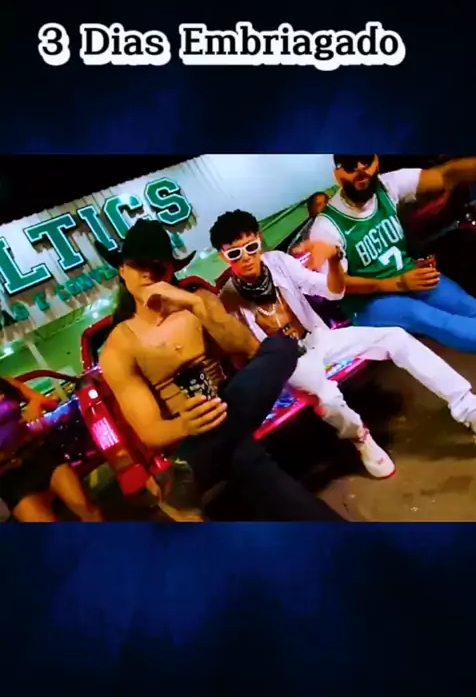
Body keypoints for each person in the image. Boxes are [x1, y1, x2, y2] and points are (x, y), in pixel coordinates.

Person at [96, 219, 344, 522]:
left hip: (230, 405)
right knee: (247, 460)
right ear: (122, 271)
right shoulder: (119, 347)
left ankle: (187, 474)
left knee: (282, 346)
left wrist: (197, 307)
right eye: (138, 264)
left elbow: (252, 351)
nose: (148, 272)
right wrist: (184, 427)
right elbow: (150, 431)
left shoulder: (199, 301)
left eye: (156, 263)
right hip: (191, 430)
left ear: (171, 269)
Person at [209, 209, 476, 479]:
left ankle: (470, 409)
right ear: (223, 256)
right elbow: (242, 356)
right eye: (235, 254)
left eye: (251, 247)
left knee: (395, 337)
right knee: (328, 397)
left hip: (318, 338)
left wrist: (335, 259)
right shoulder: (227, 299)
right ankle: (360, 438)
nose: (246, 258)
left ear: (259, 240)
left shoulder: (278, 262)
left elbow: (332, 291)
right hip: (289, 362)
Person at [308, 154, 476, 354]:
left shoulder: (388, 185)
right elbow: (337, 287)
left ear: (376, 161)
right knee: (428, 318)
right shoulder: (326, 227)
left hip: (409, 276)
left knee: (468, 306)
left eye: (366, 161)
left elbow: (445, 175)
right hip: (368, 303)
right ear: (338, 174)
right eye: (350, 166)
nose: (360, 170)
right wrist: (396, 283)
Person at [0, 377, 103, 522]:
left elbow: (50, 403)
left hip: (39, 454)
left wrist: (35, 404)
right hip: (11, 477)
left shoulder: (5, 383)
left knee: (88, 511)